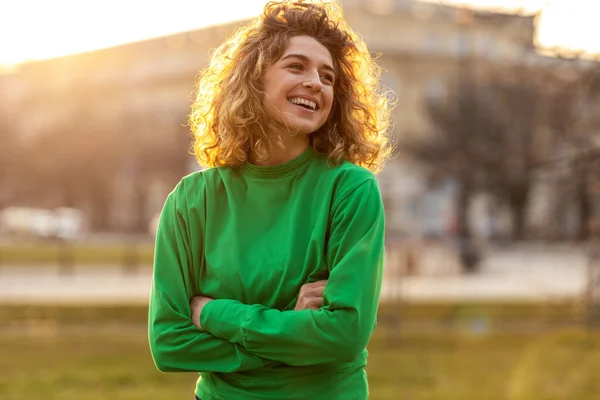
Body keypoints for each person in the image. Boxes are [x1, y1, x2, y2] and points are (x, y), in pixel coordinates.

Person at [148, 1, 394, 399]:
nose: (316, 82)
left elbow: (344, 334)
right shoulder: (191, 199)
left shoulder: (350, 189)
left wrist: (214, 313)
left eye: (327, 76)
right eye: (296, 67)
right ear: (253, 80)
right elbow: (168, 342)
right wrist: (292, 336)